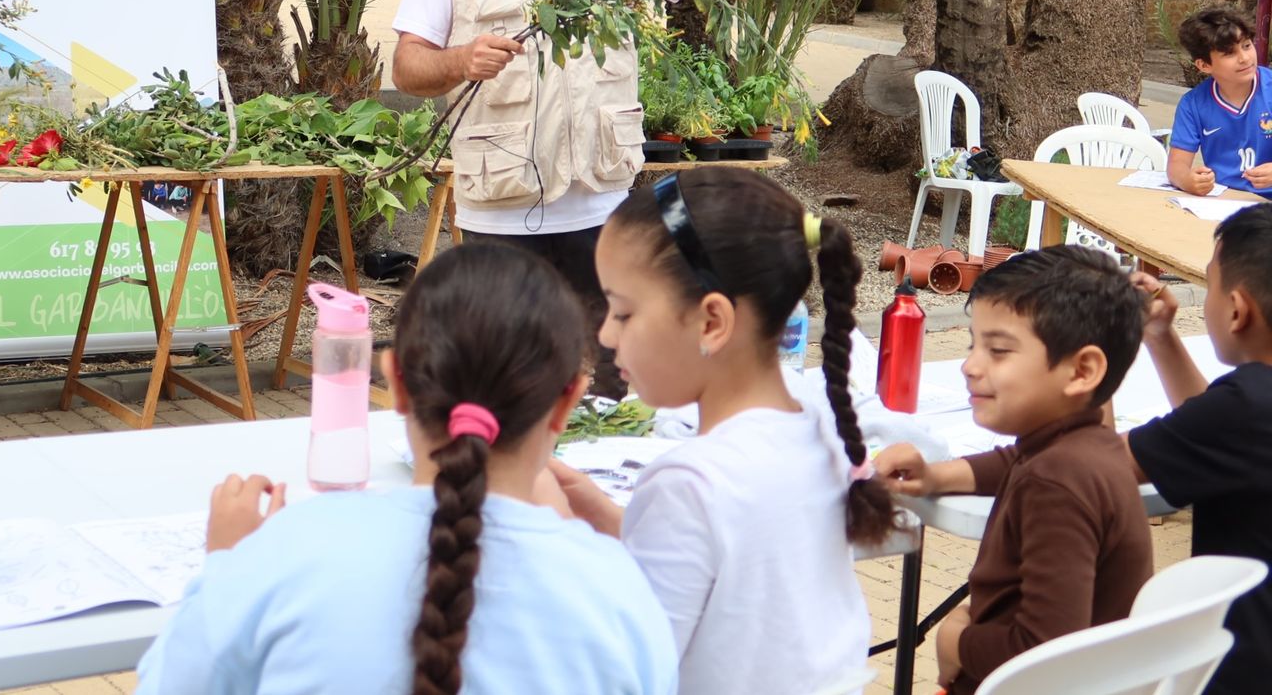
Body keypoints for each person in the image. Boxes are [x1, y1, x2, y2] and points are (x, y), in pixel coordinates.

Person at [391, 0, 814, 391]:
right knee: (507, 385)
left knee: (619, 387)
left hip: (603, 211)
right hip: (500, 215)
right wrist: (461, 59)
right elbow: (408, 66)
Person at [135, 242, 679, 695]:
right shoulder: (616, 593)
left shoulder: (283, 555)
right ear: (567, 403)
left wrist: (226, 567)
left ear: (393, 380)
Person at [545, 169, 896, 695]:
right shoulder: (818, 428)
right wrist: (612, 518)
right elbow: (736, 571)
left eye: (622, 312)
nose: (605, 335)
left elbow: (627, 672)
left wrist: (552, 534)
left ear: (712, 322)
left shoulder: (688, 484)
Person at [874, 247, 1153, 695]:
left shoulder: (1056, 483)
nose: (970, 366)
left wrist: (957, 640)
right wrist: (937, 476)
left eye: (998, 351)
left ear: (1082, 370)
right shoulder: (1084, 448)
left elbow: (1046, 650)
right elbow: (1014, 461)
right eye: (973, 344)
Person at [1125, 204, 1272, 694]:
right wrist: (1160, 337)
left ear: (1236, 309)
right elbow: (1212, 435)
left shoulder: (1245, 407)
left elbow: (1094, 462)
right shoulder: (1245, 408)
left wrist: (1093, 347)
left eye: (1207, 285)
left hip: (1238, 669)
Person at [1166, 7, 1272, 197]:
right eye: (1229, 53)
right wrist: (1188, 181)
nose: (1244, 58)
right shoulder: (1193, 104)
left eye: (1247, 45)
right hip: (1223, 201)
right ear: (1204, 65)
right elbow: (1176, 166)